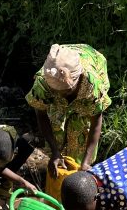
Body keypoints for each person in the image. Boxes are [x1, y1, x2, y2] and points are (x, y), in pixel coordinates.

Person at [26, 44, 110, 177]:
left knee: (80, 133)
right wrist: (55, 151)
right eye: (56, 92)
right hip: (61, 69)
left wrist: (86, 162)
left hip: (91, 63)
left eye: (67, 91)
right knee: (56, 129)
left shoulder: (92, 86)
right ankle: (58, 160)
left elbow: (95, 121)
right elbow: (41, 114)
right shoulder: (43, 83)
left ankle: (79, 167)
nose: (61, 95)